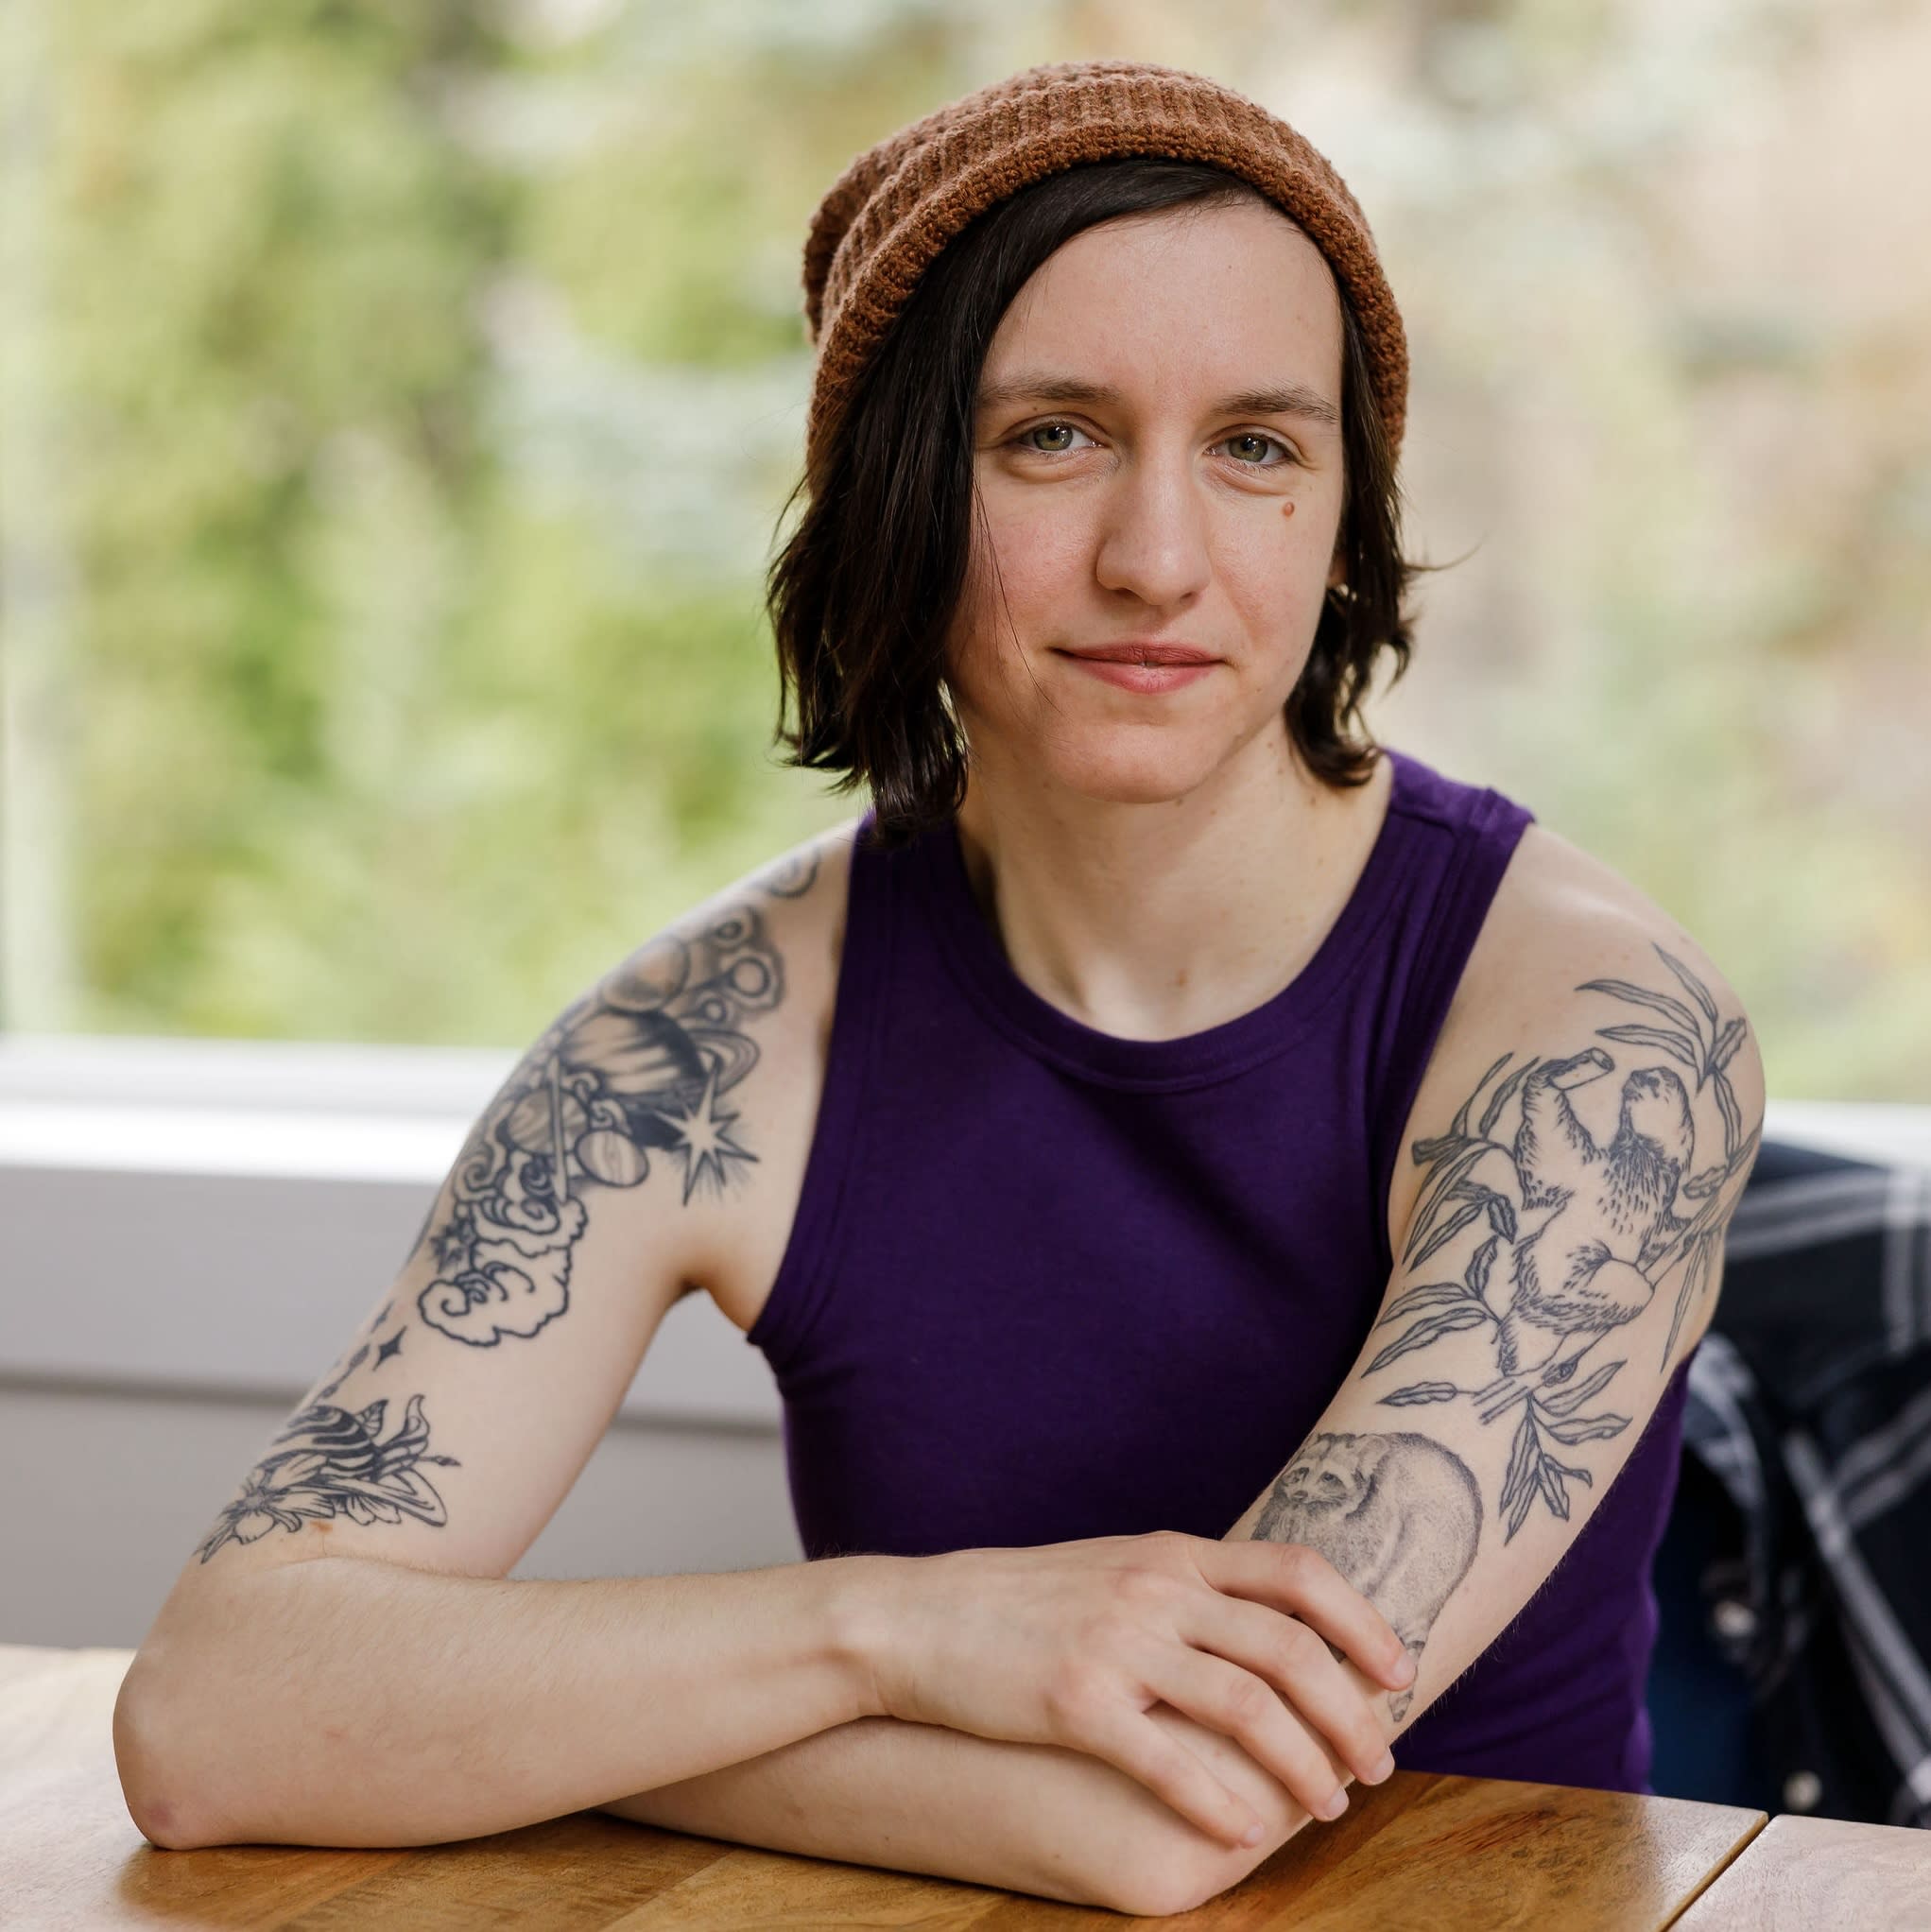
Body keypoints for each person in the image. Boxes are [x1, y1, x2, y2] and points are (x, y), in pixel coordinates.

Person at [111, 58, 1766, 1918]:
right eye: (1049, 435)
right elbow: (213, 1716)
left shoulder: (1594, 1032)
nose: (1156, 558)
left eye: (1254, 444)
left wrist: (537, 1721)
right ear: (896, 491)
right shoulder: (706, 1047)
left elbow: (1182, 1803)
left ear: (1337, 507)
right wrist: (892, 1630)